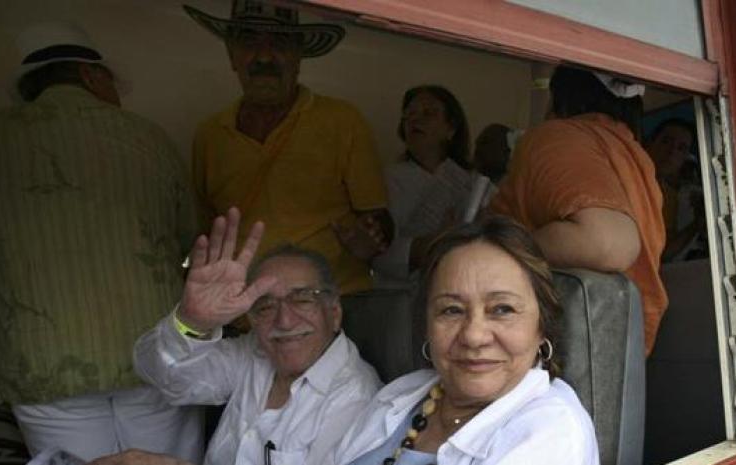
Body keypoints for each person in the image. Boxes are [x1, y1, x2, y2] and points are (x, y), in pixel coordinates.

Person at [0, 22, 201, 461]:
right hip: (155, 364)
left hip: (44, 368)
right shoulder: (152, 140)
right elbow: (190, 247)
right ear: (90, 76)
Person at [333, 216, 598, 465]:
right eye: (452, 310)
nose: (473, 336)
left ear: (542, 327)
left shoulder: (551, 431)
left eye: (502, 309)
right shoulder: (401, 396)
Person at [128, 208, 381, 465]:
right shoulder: (254, 351)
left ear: (334, 312)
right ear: (252, 318)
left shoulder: (355, 398)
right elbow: (165, 377)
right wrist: (191, 323)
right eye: (266, 306)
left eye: (303, 299)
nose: (284, 321)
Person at [184, 1, 392, 295]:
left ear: (298, 56)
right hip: (242, 316)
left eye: (279, 42)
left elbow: (379, 220)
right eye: (249, 41)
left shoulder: (342, 121)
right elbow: (206, 232)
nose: (264, 56)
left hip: (333, 308)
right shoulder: (209, 135)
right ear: (232, 55)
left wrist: (370, 240)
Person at [490, 65, 668, 354]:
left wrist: (495, 247)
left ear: (560, 95)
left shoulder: (561, 137)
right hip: (617, 354)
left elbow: (606, 243)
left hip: (552, 356)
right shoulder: (632, 154)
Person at [372, 85, 482, 288]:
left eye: (429, 113)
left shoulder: (474, 184)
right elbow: (375, 251)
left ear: (451, 128)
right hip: (398, 296)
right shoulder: (386, 178)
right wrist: (428, 246)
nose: (415, 119)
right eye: (409, 114)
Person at [644, 118, 706, 262]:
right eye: (666, 141)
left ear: (685, 157)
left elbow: (665, 251)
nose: (672, 151)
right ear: (649, 144)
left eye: (681, 148)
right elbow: (660, 254)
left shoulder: (670, 194)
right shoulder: (632, 181)